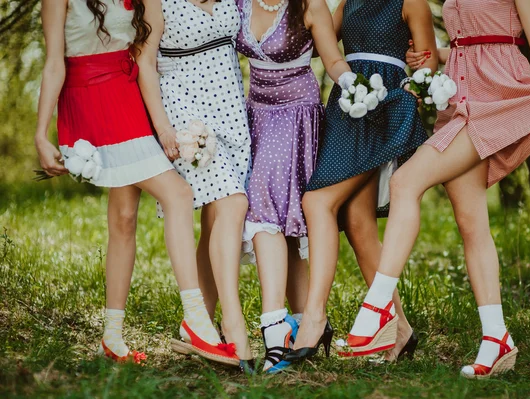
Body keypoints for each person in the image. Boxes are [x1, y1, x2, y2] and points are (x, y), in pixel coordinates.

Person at [346, 0, 530, 378]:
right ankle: (497, 338)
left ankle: (376, 308)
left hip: (496, 96)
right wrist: (430, 55)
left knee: (405, 181)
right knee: (471, 224)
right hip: (460, 98)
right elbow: (467, 43)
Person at [34, 0, 239, 365]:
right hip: (91, 99)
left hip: (130, 96)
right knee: (177, 195)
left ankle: (112, 337)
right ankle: (196, 318)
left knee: (125, 217)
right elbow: (53, 65)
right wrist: (40, 133)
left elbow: (146, 50)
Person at [286, 0, 437, 362]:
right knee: (357, 222)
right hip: (348, 104)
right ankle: (400, 330)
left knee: (317, 201)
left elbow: (429, 61)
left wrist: (421, 70)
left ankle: (314, 317)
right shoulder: (347, 3)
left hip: (385, 106)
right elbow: (320, 36)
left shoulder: (410, 2)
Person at [234, 0, 356, 372]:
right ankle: (305, 323)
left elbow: (332, 59)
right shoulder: (238, 3)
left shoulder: (308, 4)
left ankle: (274, 331)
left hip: (295, 116)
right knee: (284, 225)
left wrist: (350, 81)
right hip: (255, 114)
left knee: (262, 208)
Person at [137, 0, 254, 371]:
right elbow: (145, 63)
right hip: (186, 113)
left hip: (232, 111)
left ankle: (198, 324)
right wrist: (163, 128)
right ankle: (234, 326)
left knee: (217, 217)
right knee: (235, 204)